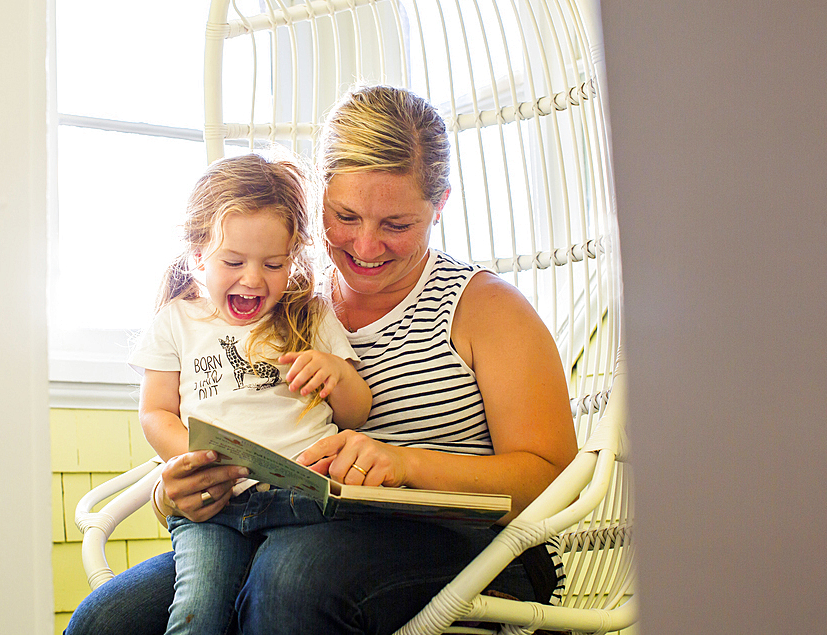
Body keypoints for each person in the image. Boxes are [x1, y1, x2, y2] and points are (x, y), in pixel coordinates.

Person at [65, 85, 578, 635]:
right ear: (318, 199)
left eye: (397, 225)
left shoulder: (486, 309)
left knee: (289, 586)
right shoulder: (283, 300)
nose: (366, 245)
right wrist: (177, 491)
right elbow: (215, 414)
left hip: (465, 544)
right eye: (345, 216)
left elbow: (551, 478)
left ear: (440, 204)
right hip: (288, 523)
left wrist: (404, 465)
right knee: (107, 621)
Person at [129, 152, 372, 635]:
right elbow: (156, 411)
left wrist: (337, 376)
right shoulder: (176, 321)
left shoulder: (309, 316)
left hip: (302, 498)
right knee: (198, 614)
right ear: (198, 255)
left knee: (279, 601)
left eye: (274, 263)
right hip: (214, 506)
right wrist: (193, 459)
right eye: (233, 261)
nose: (254, 278)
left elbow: (357, 413)